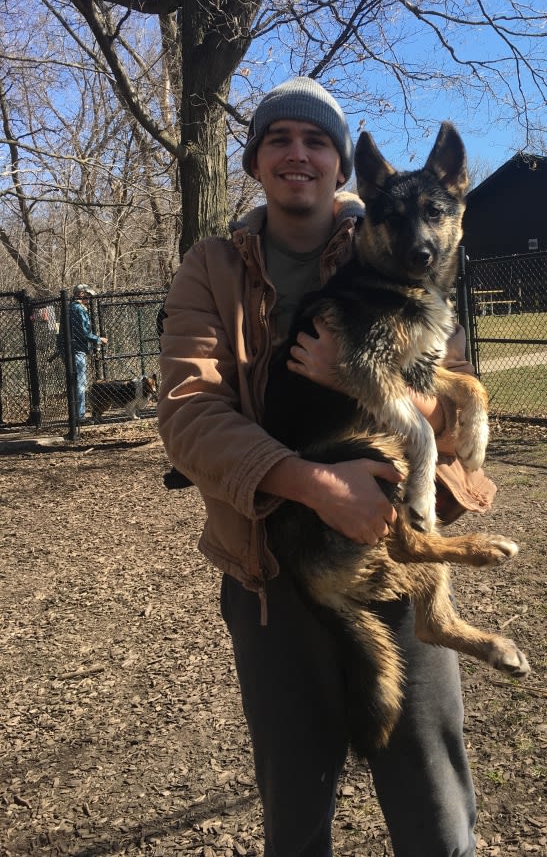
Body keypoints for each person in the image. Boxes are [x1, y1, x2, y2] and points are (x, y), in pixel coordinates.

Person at [157, 77, 497, 857]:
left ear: (341, 165)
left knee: (434, 805)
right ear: (254, 161)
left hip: (398, 547)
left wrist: (355, 380)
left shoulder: (399, 240)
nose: (297, 154)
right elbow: (186, 414)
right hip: (271, 563)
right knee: (297, 809)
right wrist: (313, 483)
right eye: (279, 138)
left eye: (316, 141)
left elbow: (445, 407)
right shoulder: (210, 268)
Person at [69, 284, 108, 420]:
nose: (90, 299)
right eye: (88, 295)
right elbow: (83, 332)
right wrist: (98, 339)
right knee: (80, 383)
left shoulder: (73, 308)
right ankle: (79, 416)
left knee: (77, 382)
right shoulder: (78, 309)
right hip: (76, 350)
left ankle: (77, 415)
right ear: (81, 294)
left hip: (75, 349)